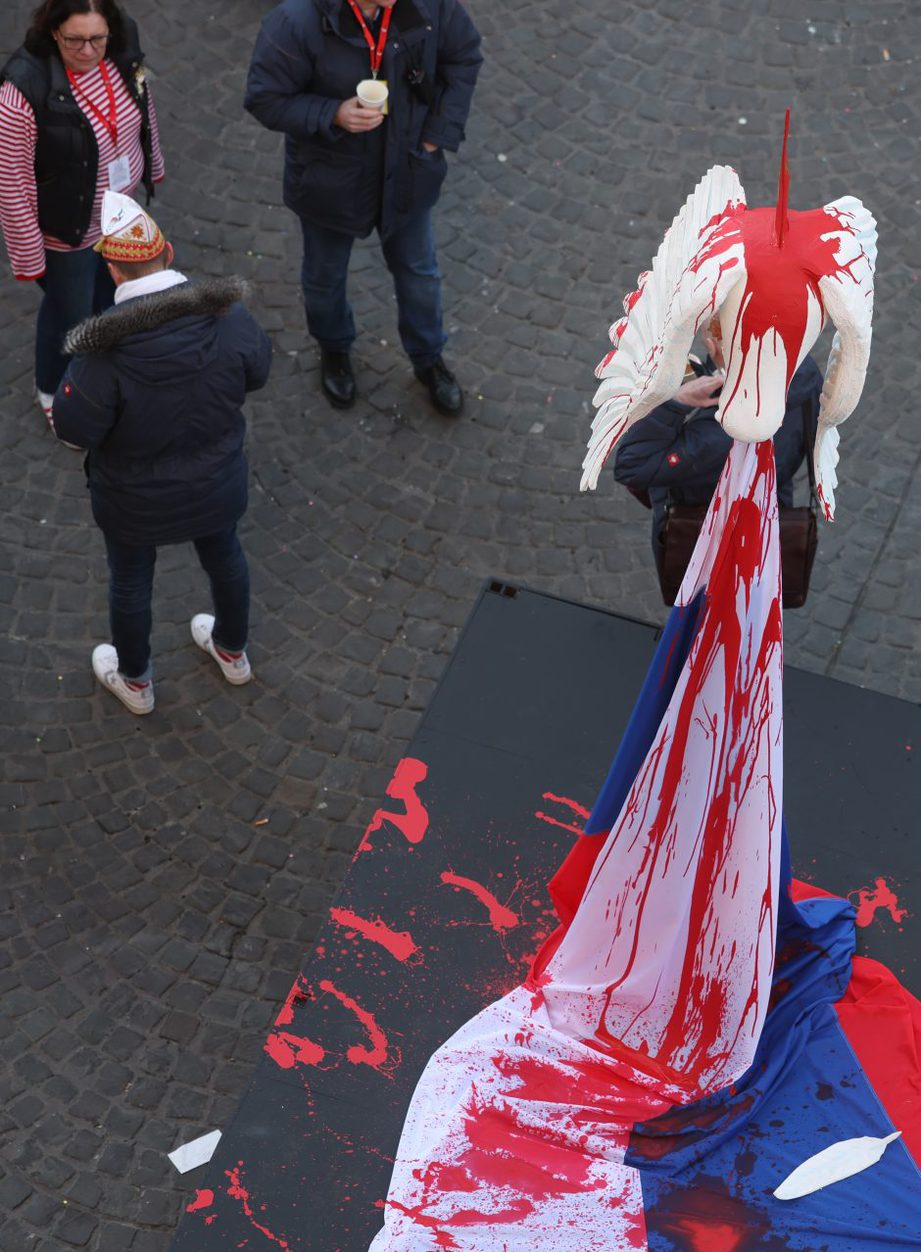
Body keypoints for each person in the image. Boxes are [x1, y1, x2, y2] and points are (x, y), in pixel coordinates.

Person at [51, 191, 272, 715]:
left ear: (112, 269)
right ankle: (232, 650)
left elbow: (73, 428)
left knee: (130, 582)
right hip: (217, 482)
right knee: (226, 558)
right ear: (168, 253)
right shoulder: (230, 319)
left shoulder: (100, 356)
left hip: (133, 500)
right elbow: (258, 372)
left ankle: (136, 682)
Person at [244, 0, 482, 416]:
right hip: (328, 181)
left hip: (408, 170)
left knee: (419, 275)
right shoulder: (295, 21)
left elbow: (463, 56)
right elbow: (265, 98)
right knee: (324, 277)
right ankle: (334, 348)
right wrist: (332, 113)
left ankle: (429, 359)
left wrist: (434, 138)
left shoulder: (431, 6)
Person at [0, 0, 165, 429]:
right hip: (67, 234)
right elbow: (12, 184)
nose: (89, 51)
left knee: (113, 299)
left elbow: (143, 109)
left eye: (97, 38)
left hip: (120, 217)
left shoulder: (122, 44)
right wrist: (32, 262)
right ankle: (53, 389)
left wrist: (154, 164)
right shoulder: (22, 90)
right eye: (75, 40)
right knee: (67, 316)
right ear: (53, 32)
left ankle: (111, 368)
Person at [613, 315, 824, 580]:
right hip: (769, 503)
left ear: (712, 345)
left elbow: (631, 465)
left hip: (706, 533)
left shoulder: (717, 434)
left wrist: (673, 403)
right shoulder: (804, 372)